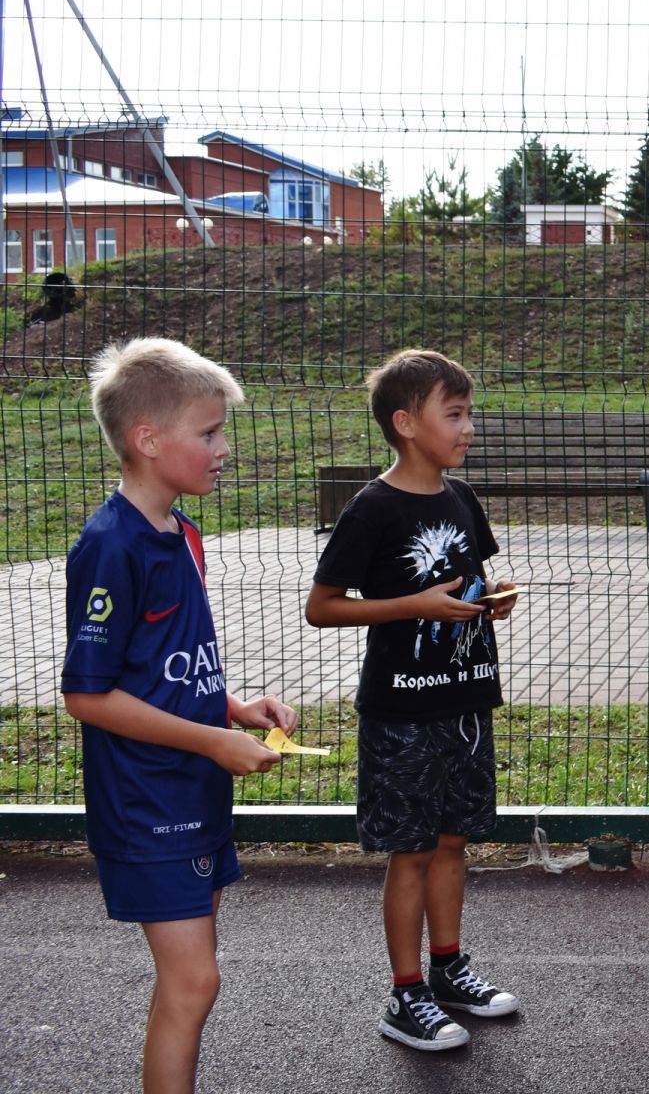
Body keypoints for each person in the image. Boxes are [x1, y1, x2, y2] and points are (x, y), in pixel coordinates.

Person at [60, 337, 297, 1094]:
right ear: (148, 439)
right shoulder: (110, 548)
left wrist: (237, 708)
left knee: (191, 983)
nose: (223, 448)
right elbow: (87, 694)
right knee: (194, 984)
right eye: (209, 432)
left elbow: (160, 667)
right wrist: (212, 739)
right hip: (146, 800)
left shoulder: (183, 533)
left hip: (193, 786)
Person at [305, 349, 522, 1051]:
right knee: (412, 851)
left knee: (454, 841)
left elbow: (464, 584)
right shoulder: (372, 508)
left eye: (468, 413)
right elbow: (323, 608)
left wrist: (488, 605)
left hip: (465, 702)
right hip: (401, 711)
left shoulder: (460, 498)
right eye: (453, 414)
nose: (468, 428)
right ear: (405, 423)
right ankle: (405, 997)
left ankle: (449, 968)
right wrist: (409, 606)